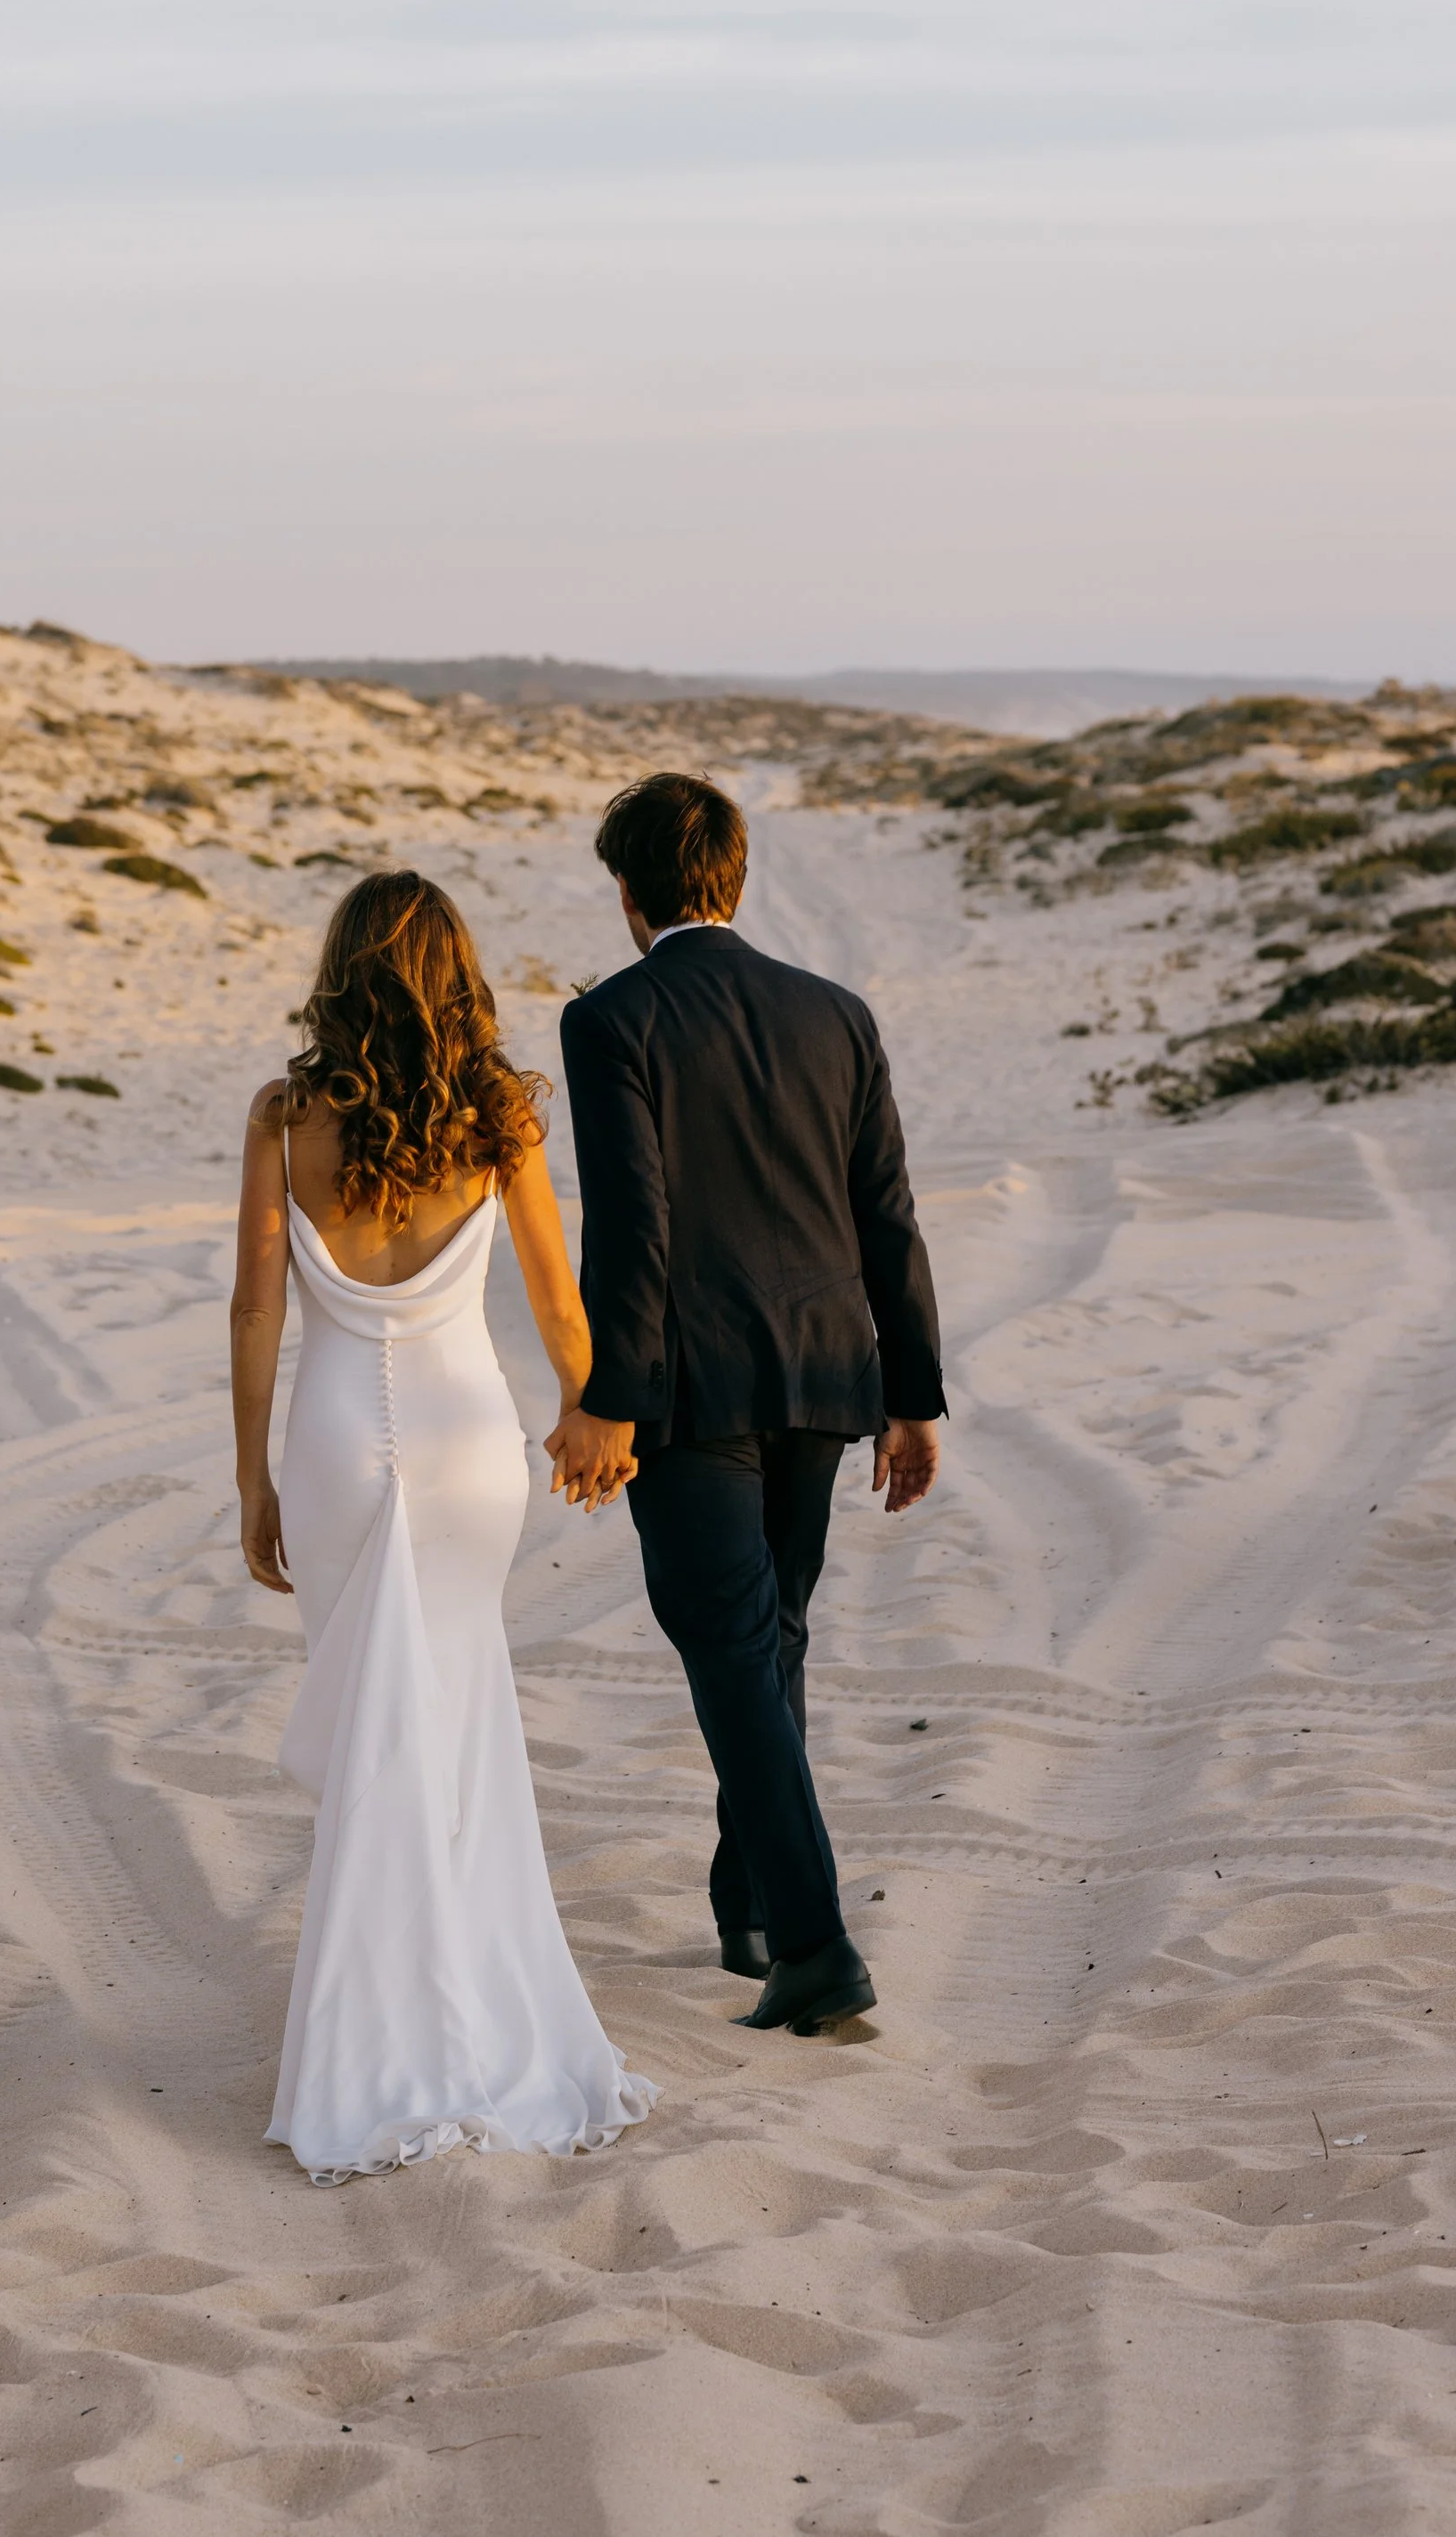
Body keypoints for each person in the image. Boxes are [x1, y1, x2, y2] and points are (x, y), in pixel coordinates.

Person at [230, 869, 655, 2183]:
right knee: (460, 1723)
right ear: (455, 974)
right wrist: (598, 1408)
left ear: (342, 970)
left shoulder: (284, 1115)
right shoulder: (501, 1115)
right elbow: (553, 1295)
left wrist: (252, 1478)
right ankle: (471, 2008)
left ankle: (380, 2039)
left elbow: (257, 1310)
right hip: (473, 1451)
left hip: (338, 1454)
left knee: (376, 1737)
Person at [554, 773, 945, 2037]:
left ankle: (818, 1946)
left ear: (628, 893)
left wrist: (610, 1400)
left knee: (735, 1658)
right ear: (734, 877)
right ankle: (753, 1910)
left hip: (690, 1391)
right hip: (829, 1379)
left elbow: (632, 1230)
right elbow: (886, 1213)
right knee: (770, 1646)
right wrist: (914, 1394)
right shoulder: (836, 1013)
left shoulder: (613, 1020)